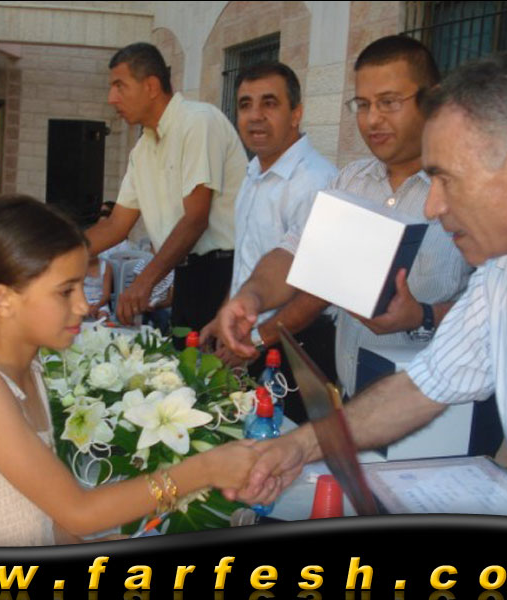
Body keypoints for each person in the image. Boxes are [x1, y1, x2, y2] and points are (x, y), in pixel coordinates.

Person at [231, 53, 507, 528]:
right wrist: (299, 445)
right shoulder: (506, 271)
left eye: (447, 179)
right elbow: (421, 387)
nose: (432, 207)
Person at [0, 196, 258, 546]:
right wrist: (204, 469)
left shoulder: (27, 369)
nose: (82, 305)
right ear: (2, 300)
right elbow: (79, 512)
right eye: (66, 291)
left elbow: (48, 508)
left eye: (82, 286)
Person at [213, 36, 472, 402]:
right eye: (363, 105)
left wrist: (423, 316)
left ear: (433, 99)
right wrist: (251, 297)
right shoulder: (350, 182)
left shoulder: (470, 190)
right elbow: (294, 253)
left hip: (438, 411)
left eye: (389, 102)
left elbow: (502, 310)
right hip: (354, 398)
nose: (373, 119)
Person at [199, 61, 338, 422]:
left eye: (269, 103)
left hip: (298, 350)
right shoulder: (253, 173)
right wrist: (224, 316)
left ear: (296, 114)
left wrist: (255, 341)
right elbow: (248, 262)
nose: (255, 116)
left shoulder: (315, 182)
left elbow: (318, 291)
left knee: (292, 446)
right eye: (245, 105)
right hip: (256, 341)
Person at [85, 42, 247, 333]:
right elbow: (115, 225)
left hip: (225, 276)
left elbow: (196, 218)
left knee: (210, 362)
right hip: (185, 276)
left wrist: (145, 281)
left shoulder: (198, 122)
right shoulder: (142, 150)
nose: (112, 98)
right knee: (180, 359)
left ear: (151, 86)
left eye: (120, 86)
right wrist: (54, 256)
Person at [84, 253, 113, 320]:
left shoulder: (105, 265)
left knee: (103, 317)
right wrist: (85, 306)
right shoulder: (79, 266)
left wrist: (96, 306)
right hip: (83, 301)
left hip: (101, 303)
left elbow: (106, 296)